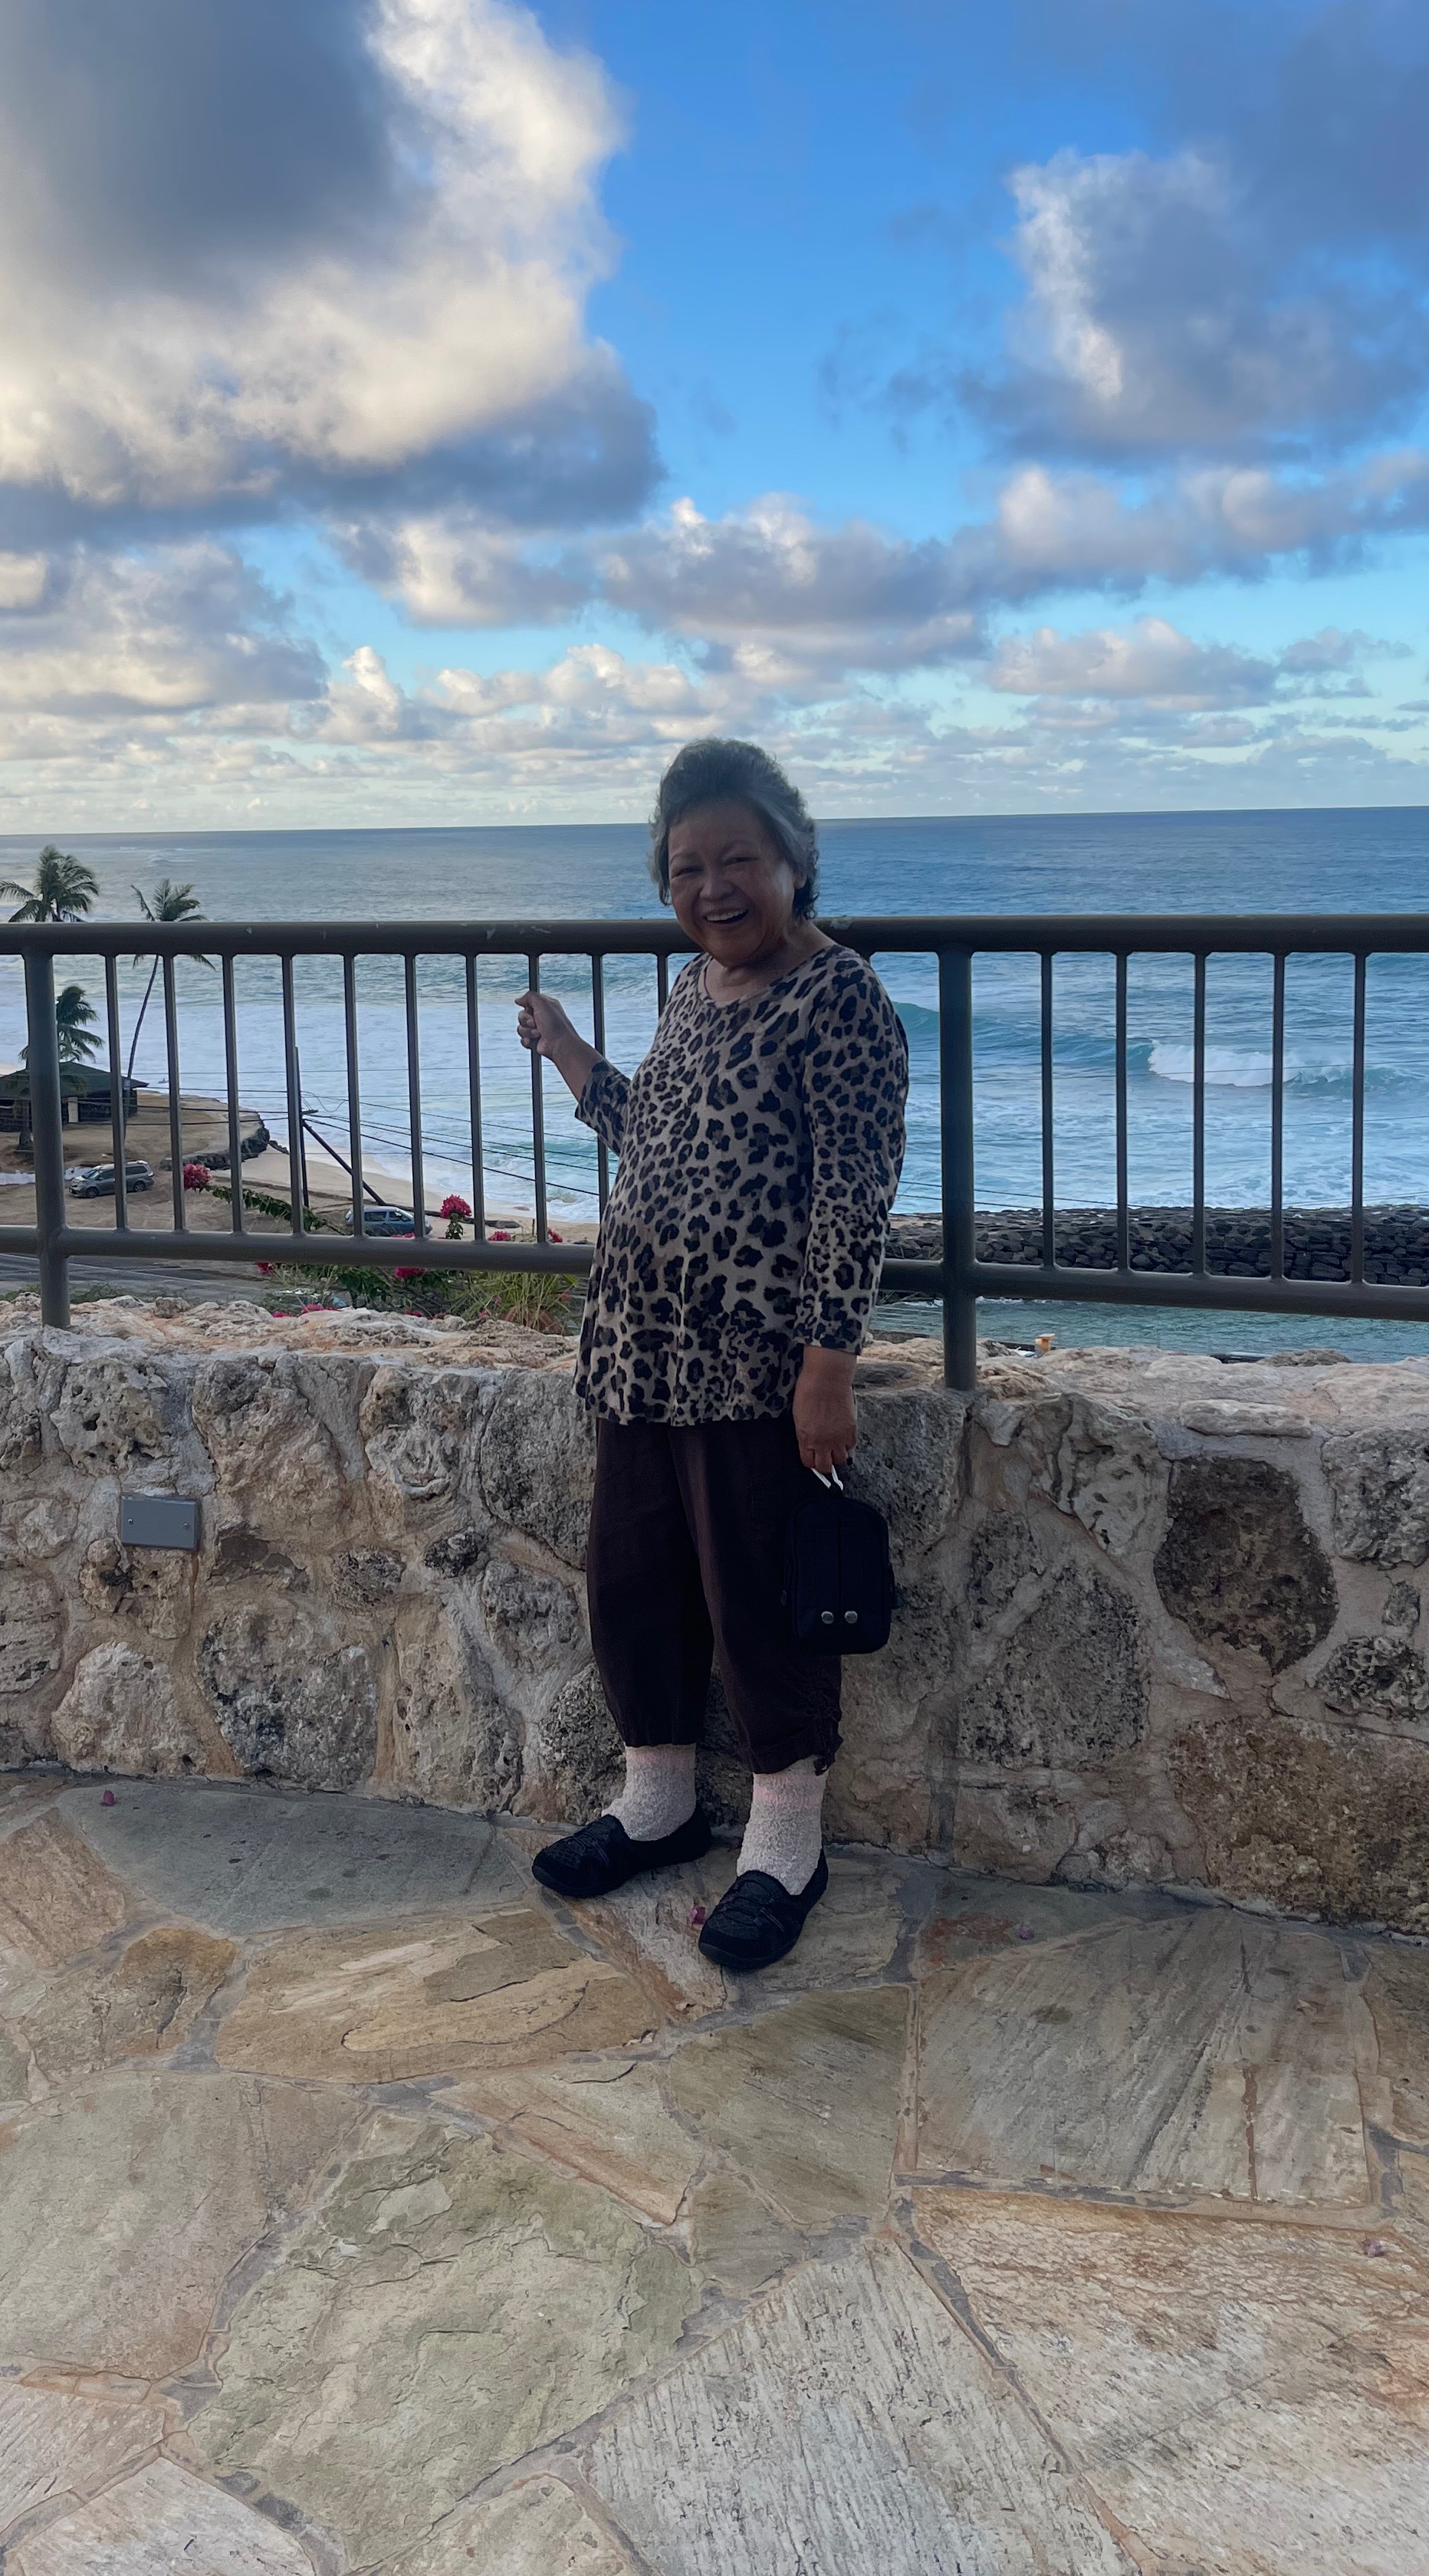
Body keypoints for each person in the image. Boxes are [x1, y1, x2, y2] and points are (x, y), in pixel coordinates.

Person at [515, 738, 910, 1972]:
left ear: (795, 860)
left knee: (757, 1605)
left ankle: (786, 1844)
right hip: (637, 1352)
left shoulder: (840, 999)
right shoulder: (693, 989)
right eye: (687, 867)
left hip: (753, 1366)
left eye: (738, 858)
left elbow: (854, 1196)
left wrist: (828, 1364)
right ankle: (660, 1803)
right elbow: (657, 1136)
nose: (713, 886)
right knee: (633, 1583)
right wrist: (571, 1053)